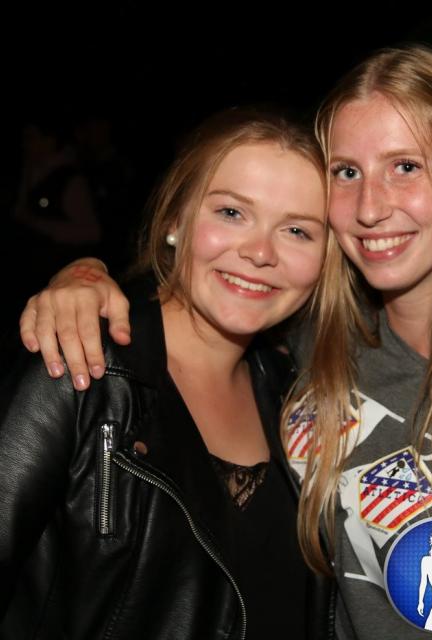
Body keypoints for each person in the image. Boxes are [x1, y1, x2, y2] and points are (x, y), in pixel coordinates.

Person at [18, 45, 432, 640]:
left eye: (406, 166)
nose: (370, 207)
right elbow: (206, 288)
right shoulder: (316, 331)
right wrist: (83, 276)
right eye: (347, 172)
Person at [1, 108, 334, 638]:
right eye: (231, 212)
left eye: (297, 230)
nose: (260, 252)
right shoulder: (79, 363)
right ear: (176, 220)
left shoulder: (300, 400)